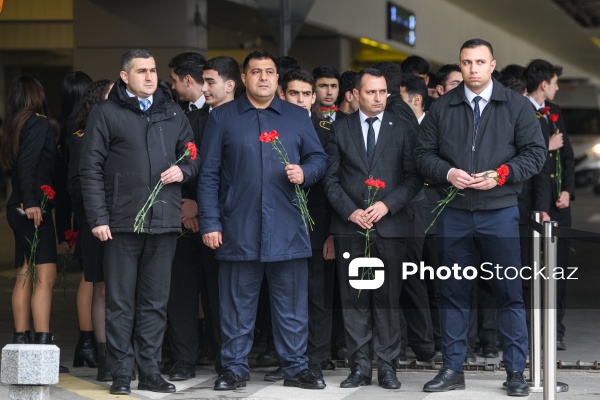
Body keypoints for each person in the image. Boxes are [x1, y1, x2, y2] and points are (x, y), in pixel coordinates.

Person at [415, 38, 546, 396]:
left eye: (479, 62)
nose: (472, 69)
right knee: (452, 292)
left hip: (499, 213)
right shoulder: (442, 107)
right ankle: (453, 369)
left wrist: (499, 175)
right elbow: (422, 154)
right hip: (454, 213)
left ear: (492, 65)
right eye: (466, 62)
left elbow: (536, 154)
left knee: (509, 294)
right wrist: (447, 173)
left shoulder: (516, 106)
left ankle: (516, 372)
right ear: (460, 65)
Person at [198, 50, 328, 391]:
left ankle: (297, 368)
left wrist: (306, 171)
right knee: (236, 307)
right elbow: (209, 174)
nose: (264, 77)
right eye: (256, 72)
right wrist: (210, 222)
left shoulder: (297, 117)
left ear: (277, 79)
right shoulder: (222, 117)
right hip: (238, 227)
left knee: (291, 307)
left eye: (270, 72)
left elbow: (319, 158)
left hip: (287, 227)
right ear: (244, 78)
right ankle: (234, 370)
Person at [79, 48, 198, 396]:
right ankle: (120, 372)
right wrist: (99, 218)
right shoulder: (105, 113)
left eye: (153, 70)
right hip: (120, 223)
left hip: (163, 222)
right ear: (125, 76)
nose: (150, 76)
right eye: (141, 71)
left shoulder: (172, 111)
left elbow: (193, 154)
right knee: (119, 301)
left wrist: (184, 169)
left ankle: (149, 371)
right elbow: (90, 170)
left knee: (154, 302)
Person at [323, 68, 423, 390]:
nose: (378, 98)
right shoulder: (339, 128)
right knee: (354, 299)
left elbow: (413, 179)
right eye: (371, 92)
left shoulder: (403, 129)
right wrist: (351, 212)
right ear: (355, 94)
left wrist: (386, 205)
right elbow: (330, 179)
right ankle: (360, 367)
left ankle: (388, 367)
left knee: (388, 300)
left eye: (383, 92)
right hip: (351, 228)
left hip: (389, 227)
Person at [1, 77, 61, 358]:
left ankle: (22, 340)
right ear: (36, 94)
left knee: (25, 273)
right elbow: (26, 165)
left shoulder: (15, 123)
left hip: (19, 206)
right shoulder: (37, 122)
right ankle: (43, 345)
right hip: (32, 207)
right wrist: (32, 201)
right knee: (45, 276)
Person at [525, 58, 575, 351]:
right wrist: (546, 147)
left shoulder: (554, 112)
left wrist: (567, 190)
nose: (557, 87)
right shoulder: (520, 111)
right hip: (532, 204)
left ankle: (556, 329)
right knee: (530, 270)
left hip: (557, 205)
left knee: (559, 270)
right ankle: (533, 329)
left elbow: (567, 157)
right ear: (544, 84)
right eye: (555, 83)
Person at [67, 79, 114, 381]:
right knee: (99, 287)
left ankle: (123, 351)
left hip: (121, 224)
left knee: (123, 291)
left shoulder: (120, 131)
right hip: (96, 224)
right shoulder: (82, 137)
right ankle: (103, 354)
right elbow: (75, 185)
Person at [55, 71, 95, 371]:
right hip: (88, 209)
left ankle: (87, 342)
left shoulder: (67, 129)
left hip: (78, 211)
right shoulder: (81, 132)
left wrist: (64, 228)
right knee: (92, 277)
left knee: (91, 277)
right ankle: (87, 342)